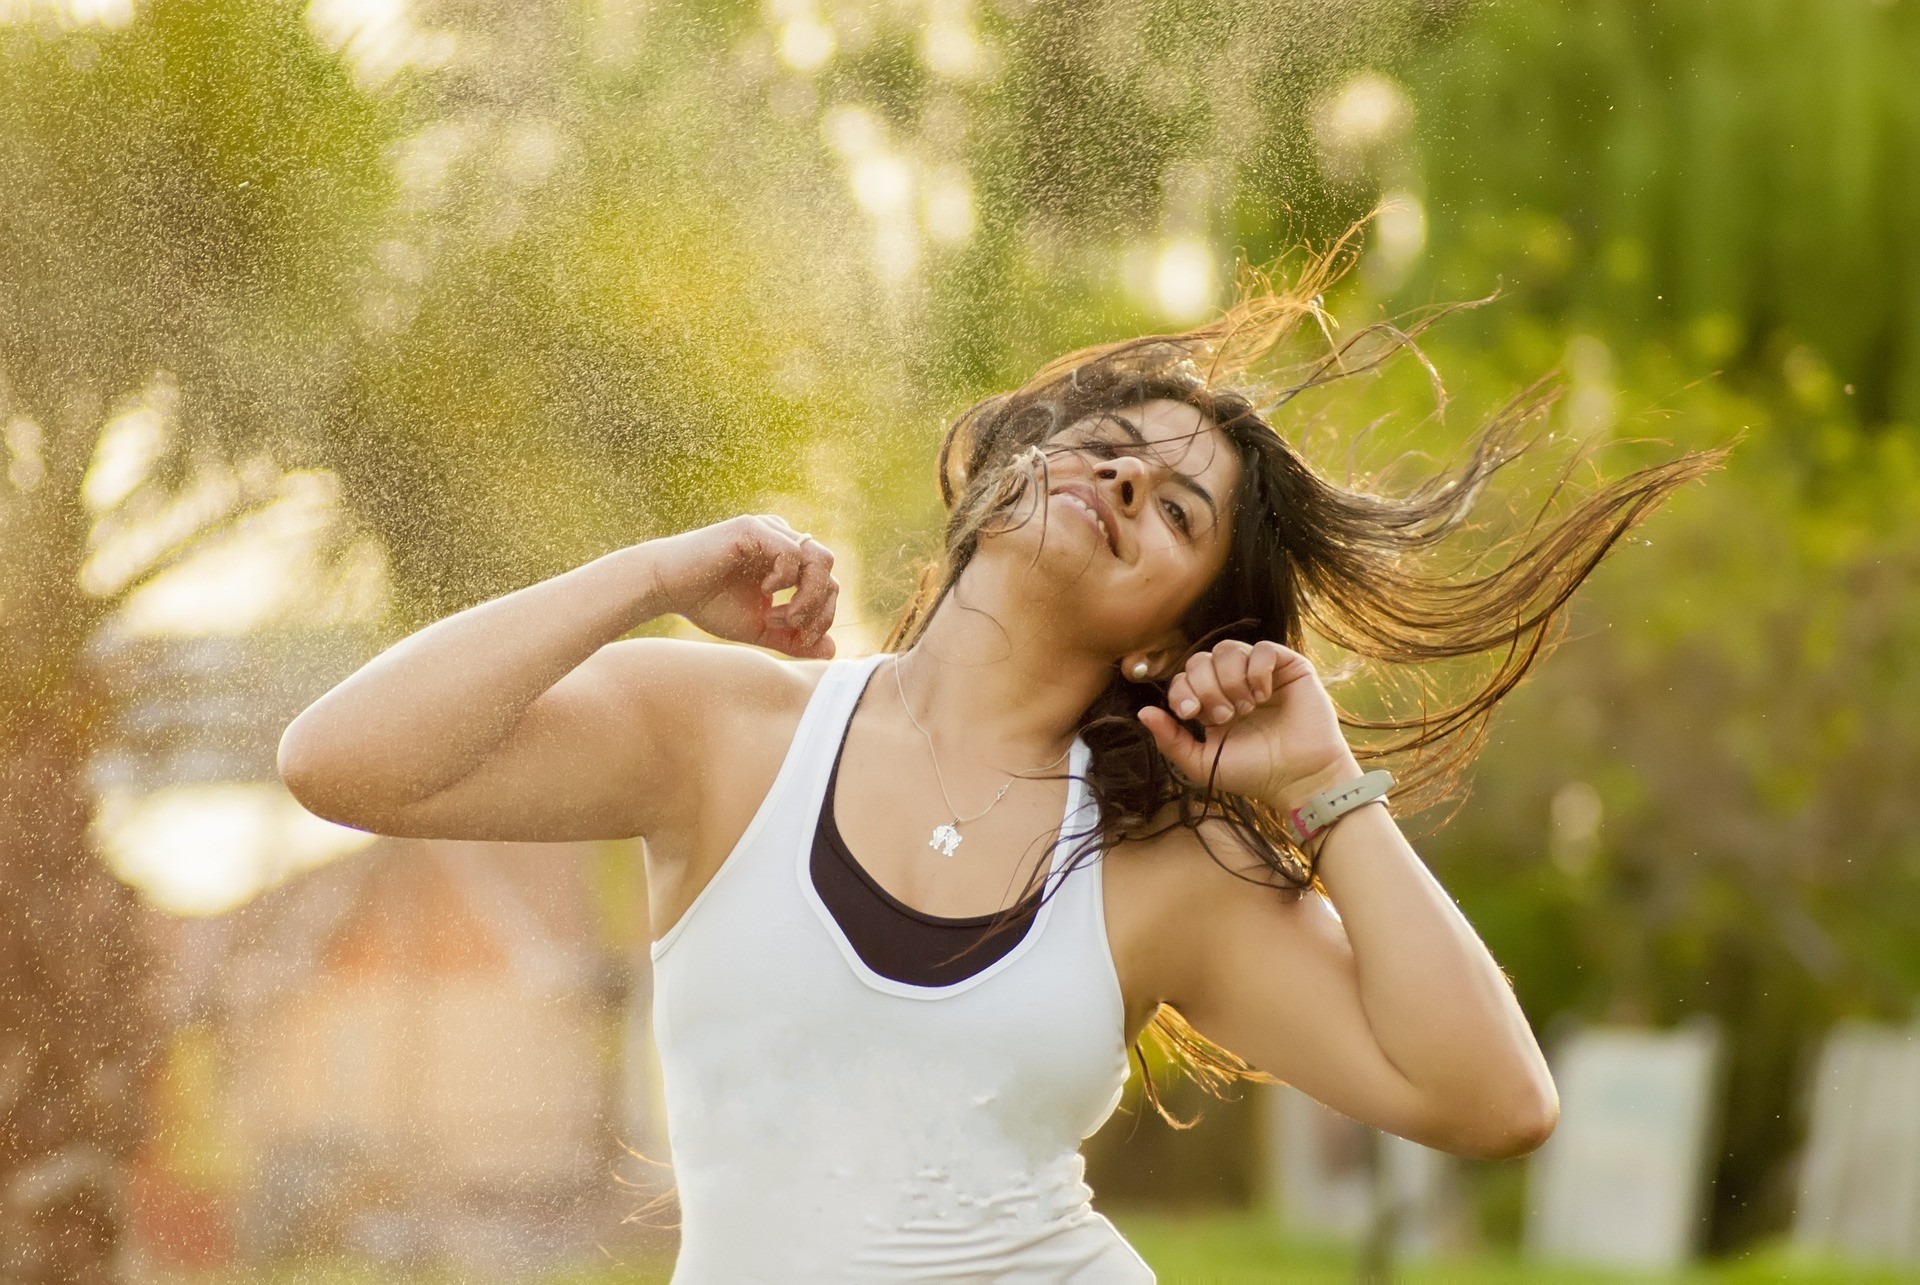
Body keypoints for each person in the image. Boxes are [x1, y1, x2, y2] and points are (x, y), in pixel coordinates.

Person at [278, 239, 1725, 1282]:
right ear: (1014, 465)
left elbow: (1495, 1100)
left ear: (1172, 636)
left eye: (1172, 512)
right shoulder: (727, 736)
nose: (1121, 483)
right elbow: (342, 762)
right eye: (1108, 448)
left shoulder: (1164, 872)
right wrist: (653, 570)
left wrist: (1323, 786)